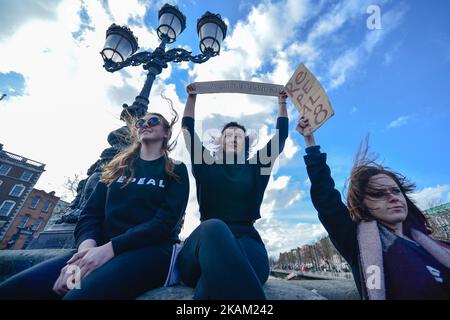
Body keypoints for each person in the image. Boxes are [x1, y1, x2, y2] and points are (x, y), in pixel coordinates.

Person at [0, 110, 189, 300]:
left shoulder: (175, 169)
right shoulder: (117, 169)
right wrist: (84, 255)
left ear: (166, 133)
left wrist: (110, 249)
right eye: (140, 123)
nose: (145, 125)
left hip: (149, 251)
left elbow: (165, 223)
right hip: (96, 252)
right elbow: (90, 215)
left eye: (154, 121)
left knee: (76, 296)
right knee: (14, 290)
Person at [296, 116, 450, 300]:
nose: (392, 197)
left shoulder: (430, 243)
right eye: (378, 193)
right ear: (363, 204)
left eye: (395, 191)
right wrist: (310, 143)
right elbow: (325, 198)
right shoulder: (356, 241)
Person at [177, 84, 289, 299]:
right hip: (205, 240)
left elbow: (280, 137)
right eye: (228, 135)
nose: (234, 138)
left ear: (246, 142)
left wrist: (282, 102)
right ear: (220, 142)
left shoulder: (257, 167)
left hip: (246, 239)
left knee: (235, 271)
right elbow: (188, 130)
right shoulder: (205, 163)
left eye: (239, 135)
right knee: (215, 228)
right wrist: (192, 98)